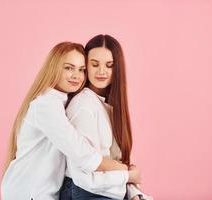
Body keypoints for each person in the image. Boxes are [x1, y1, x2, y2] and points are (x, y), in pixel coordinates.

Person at [1, 42, 129, 200]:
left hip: (44, 192)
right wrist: (125, 172)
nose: (76, 76)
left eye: (81, 70)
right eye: (68, 68)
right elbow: (82, 153)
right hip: (28, 191)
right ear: (54, 68)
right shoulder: (46, 104)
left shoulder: (63, 101)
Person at [59, 35, 152, 200]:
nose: (101, 72)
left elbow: (118, 161)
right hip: (83, 191)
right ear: (85, 66)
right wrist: (128, 176)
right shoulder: (84, 105)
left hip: (105, 190)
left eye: (109, 66)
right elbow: (84, 176)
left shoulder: (108, 106)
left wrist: (133, 193)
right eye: (94, 65)